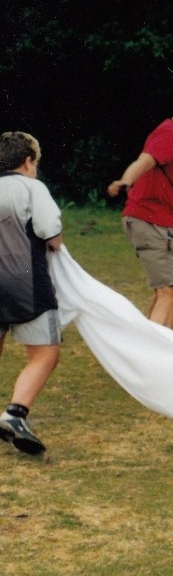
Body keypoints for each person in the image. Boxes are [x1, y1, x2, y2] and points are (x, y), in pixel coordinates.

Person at [107, 87, 173, 329]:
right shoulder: (171, 133)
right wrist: (126, 180)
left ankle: (147, 344)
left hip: (157, 221)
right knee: (169, 291)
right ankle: (152, 351)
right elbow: (145, 160)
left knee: (167, 292)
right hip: (151, 220)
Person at [0, 132, 63, 456]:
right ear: (27, 162)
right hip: (26, 283)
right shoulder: (32, 188)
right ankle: (15, 413)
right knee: (45, 353)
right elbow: (51, 235)